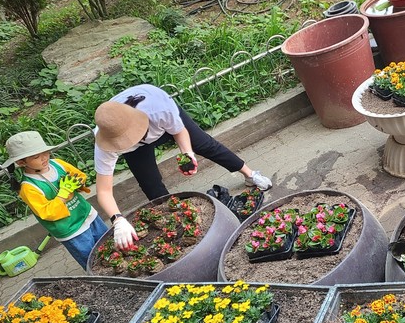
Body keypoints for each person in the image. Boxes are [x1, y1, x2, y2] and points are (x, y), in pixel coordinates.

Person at [93, 84, 273, 250]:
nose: (129, 141)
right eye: (123, 142)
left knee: (205, 145)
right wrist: (118, 219)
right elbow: (103, 191)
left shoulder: (159, 108)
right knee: (150, 183)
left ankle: (249, 174)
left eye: (130, 137)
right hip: (136, 145)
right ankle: (176, 221)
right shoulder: (106, 140)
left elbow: (179, 131)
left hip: (159, 123)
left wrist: (187, 154)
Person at [3, 131, 108, 270]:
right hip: (71, 230)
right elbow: (47, 212)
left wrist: (76, 182)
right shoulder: (28, 187)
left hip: (88, 215)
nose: (44, 157)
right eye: (36, 156)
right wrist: (63, 193)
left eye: (45, 152)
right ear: (21, 162)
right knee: (93, 263)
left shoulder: (57, 164)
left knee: (110, 245)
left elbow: (80, 175)